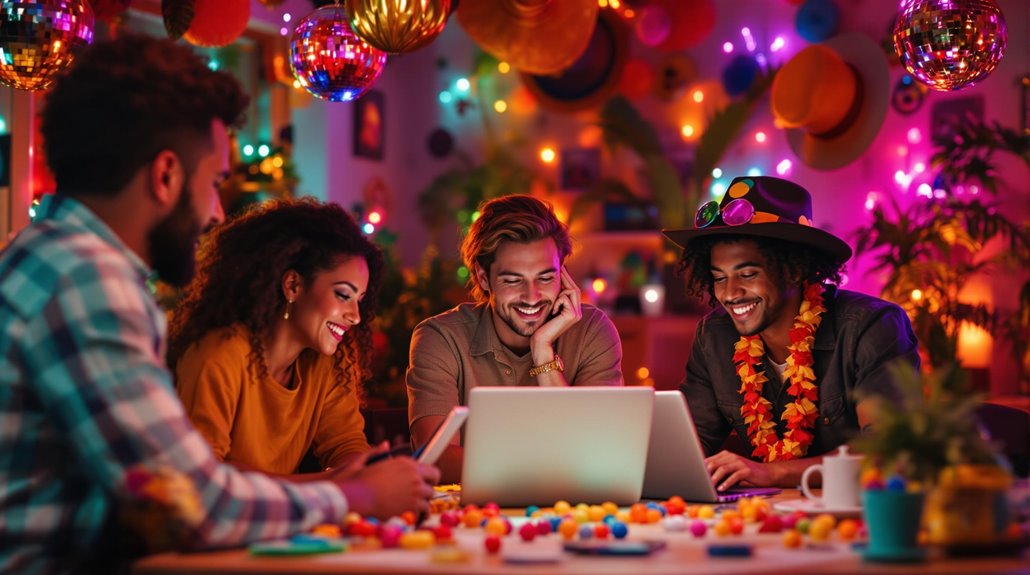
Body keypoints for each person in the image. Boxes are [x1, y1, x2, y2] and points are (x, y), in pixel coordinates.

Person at [0, 35, 436, 573]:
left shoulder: (47, 256)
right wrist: (359, 498)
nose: (213, 214)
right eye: (214, 183)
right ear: (165, 176)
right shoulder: (87, 283)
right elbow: (189, 505)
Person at [664, 176, 918, 491]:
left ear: (794, 270)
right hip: (758, 520)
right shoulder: (713, 336)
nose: (729, 294)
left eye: (747, 274)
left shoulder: (871, 326)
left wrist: (770, 473)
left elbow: (888, 452)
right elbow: (690, 445)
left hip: (859, 520)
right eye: (719, 278)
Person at [407, 194, 624, 483]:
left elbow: (598, 454)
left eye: (546, 278)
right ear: (484, 279)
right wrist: (553, 467)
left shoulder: (594, 331)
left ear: (564, 276)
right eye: (513, 280)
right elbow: (437, 461)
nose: (532, 297)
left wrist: (543, 353)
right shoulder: (440, 338)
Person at [169, 198, 380, 479]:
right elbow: (204, 477)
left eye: (359, 300)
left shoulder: (328, 362)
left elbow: (345, 445)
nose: (355, 316)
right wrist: (331, 485)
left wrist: (369, 472)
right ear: (293, 285)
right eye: (343, 295)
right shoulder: (220, 354)